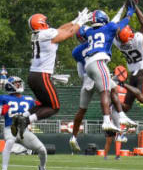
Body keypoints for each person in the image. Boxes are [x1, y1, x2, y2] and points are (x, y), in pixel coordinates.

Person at [15, 8, 91, 137]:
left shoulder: (37, 35)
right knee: (54, 107)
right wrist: (80, 23)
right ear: (41, 23)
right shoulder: (46, 34)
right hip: (42, 76)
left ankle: (22, 117)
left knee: (43, 104)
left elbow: (61, 29)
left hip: (33, 75)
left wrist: (75, 21)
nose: (47, 23)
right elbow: (68, 33)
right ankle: (26, 121)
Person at [76, 0, 137, 134]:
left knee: (113, 88)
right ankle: (106, 121)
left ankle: (121, 116)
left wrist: (79, 21)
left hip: (90, 65)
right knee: (105, 91)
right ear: (104, 19)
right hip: (98, 61)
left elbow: (80, 31)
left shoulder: (90, 31)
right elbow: (121, 25)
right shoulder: (108, 27)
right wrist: (129, 13)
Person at [0, 76, 56, 170]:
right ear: (10, 86)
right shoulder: (4, 98)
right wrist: (1, 113)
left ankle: (42, 169)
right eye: (16, 83)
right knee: (9, 142)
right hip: (10, 128)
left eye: (19, 83)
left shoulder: (29, 99)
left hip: (24, 130)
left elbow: (40, 107)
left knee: (42, 149)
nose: (19, 85)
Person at [113, 0, 143, 112]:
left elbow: (118, 27)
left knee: (126, 107)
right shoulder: (138, 40)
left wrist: (127, 10)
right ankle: (121, 85)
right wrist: (135, 7)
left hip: (132, 73)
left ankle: (116, 90)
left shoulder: (119, 43)